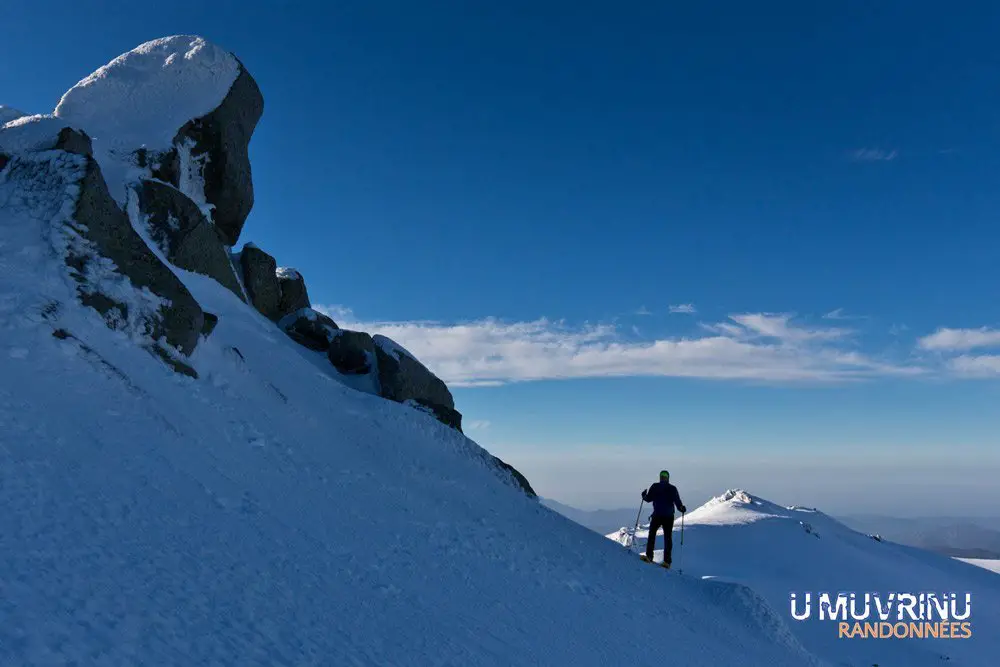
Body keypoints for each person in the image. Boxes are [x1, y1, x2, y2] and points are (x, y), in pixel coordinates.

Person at [640, 470, 686, 568]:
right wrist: (681, 508)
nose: (663, 477)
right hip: (668, 516)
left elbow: (648, 499)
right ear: (668, 478)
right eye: (663, 475)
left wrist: (644, 496)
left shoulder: (655, 486)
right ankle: (667, 562)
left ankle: (649, 556)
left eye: (663, 476)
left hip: (657, 515)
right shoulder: (672, 488)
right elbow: (677, 501)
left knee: (652, 534)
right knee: (667, 538)